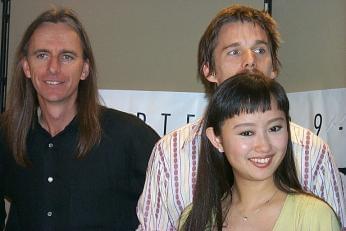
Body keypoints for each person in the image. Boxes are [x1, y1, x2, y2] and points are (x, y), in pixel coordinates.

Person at [136, 4, 345, 230]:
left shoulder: (313, 152)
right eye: (234, 52)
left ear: (274, 66)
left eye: (260, 50)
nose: (249, 61)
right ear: (209, 70)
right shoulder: (171, 153)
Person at [0, 7, 159, 230]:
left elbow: (176, 209)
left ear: (84, 69)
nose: (53, 68)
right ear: (26, 66)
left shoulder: (129, 136)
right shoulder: (6, 134)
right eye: (42, 55)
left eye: (67, 56)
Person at [179, 72, 341, 230]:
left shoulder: (315, 217)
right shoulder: (196, 219)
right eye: (247, 133)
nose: (264, 146)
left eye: (274, 128)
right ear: (217, 139)